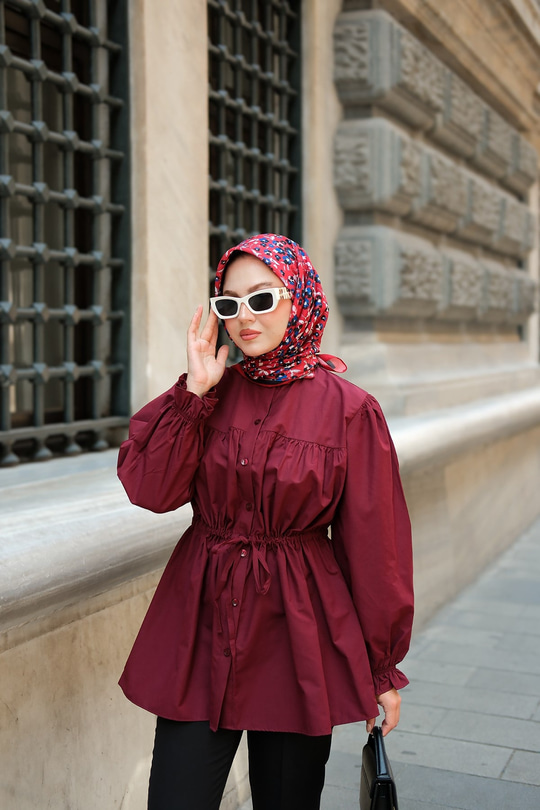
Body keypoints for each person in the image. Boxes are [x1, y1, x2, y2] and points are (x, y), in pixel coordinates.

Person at [117, 234, 414, 810]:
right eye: (229, 304)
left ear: (298, 297)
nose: (244, 318)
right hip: (201, 620)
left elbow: (376, 549)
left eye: (261, 298)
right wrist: (194, 393)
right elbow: (150, 491)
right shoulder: (206, 394)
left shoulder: (350, 410)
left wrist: (381, 666)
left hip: (297, 630)